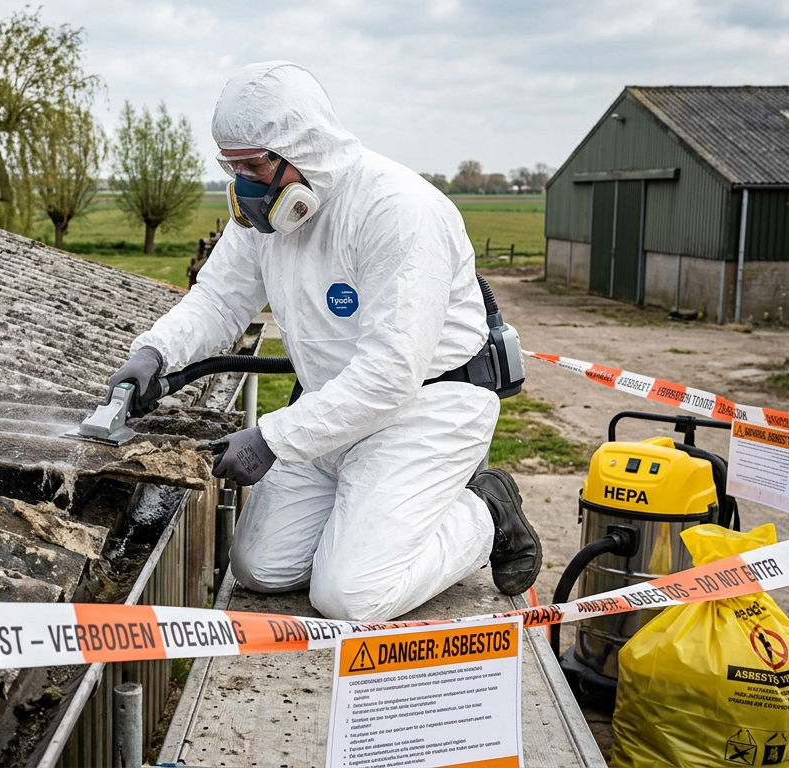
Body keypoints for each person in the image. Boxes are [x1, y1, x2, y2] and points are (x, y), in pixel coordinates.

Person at [104, 61, 540, 623]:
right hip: (328, 408)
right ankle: (369, 517)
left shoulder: (398, 212)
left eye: (253, 167)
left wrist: (272, 439)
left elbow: (389, 375)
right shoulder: (264, 217)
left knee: (350, 595)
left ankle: (484, 509)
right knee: (260, 569)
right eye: (230, 167)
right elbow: (218, 299)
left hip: (424, 411)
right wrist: (154, 352)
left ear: (301, 149)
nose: (243, 186)